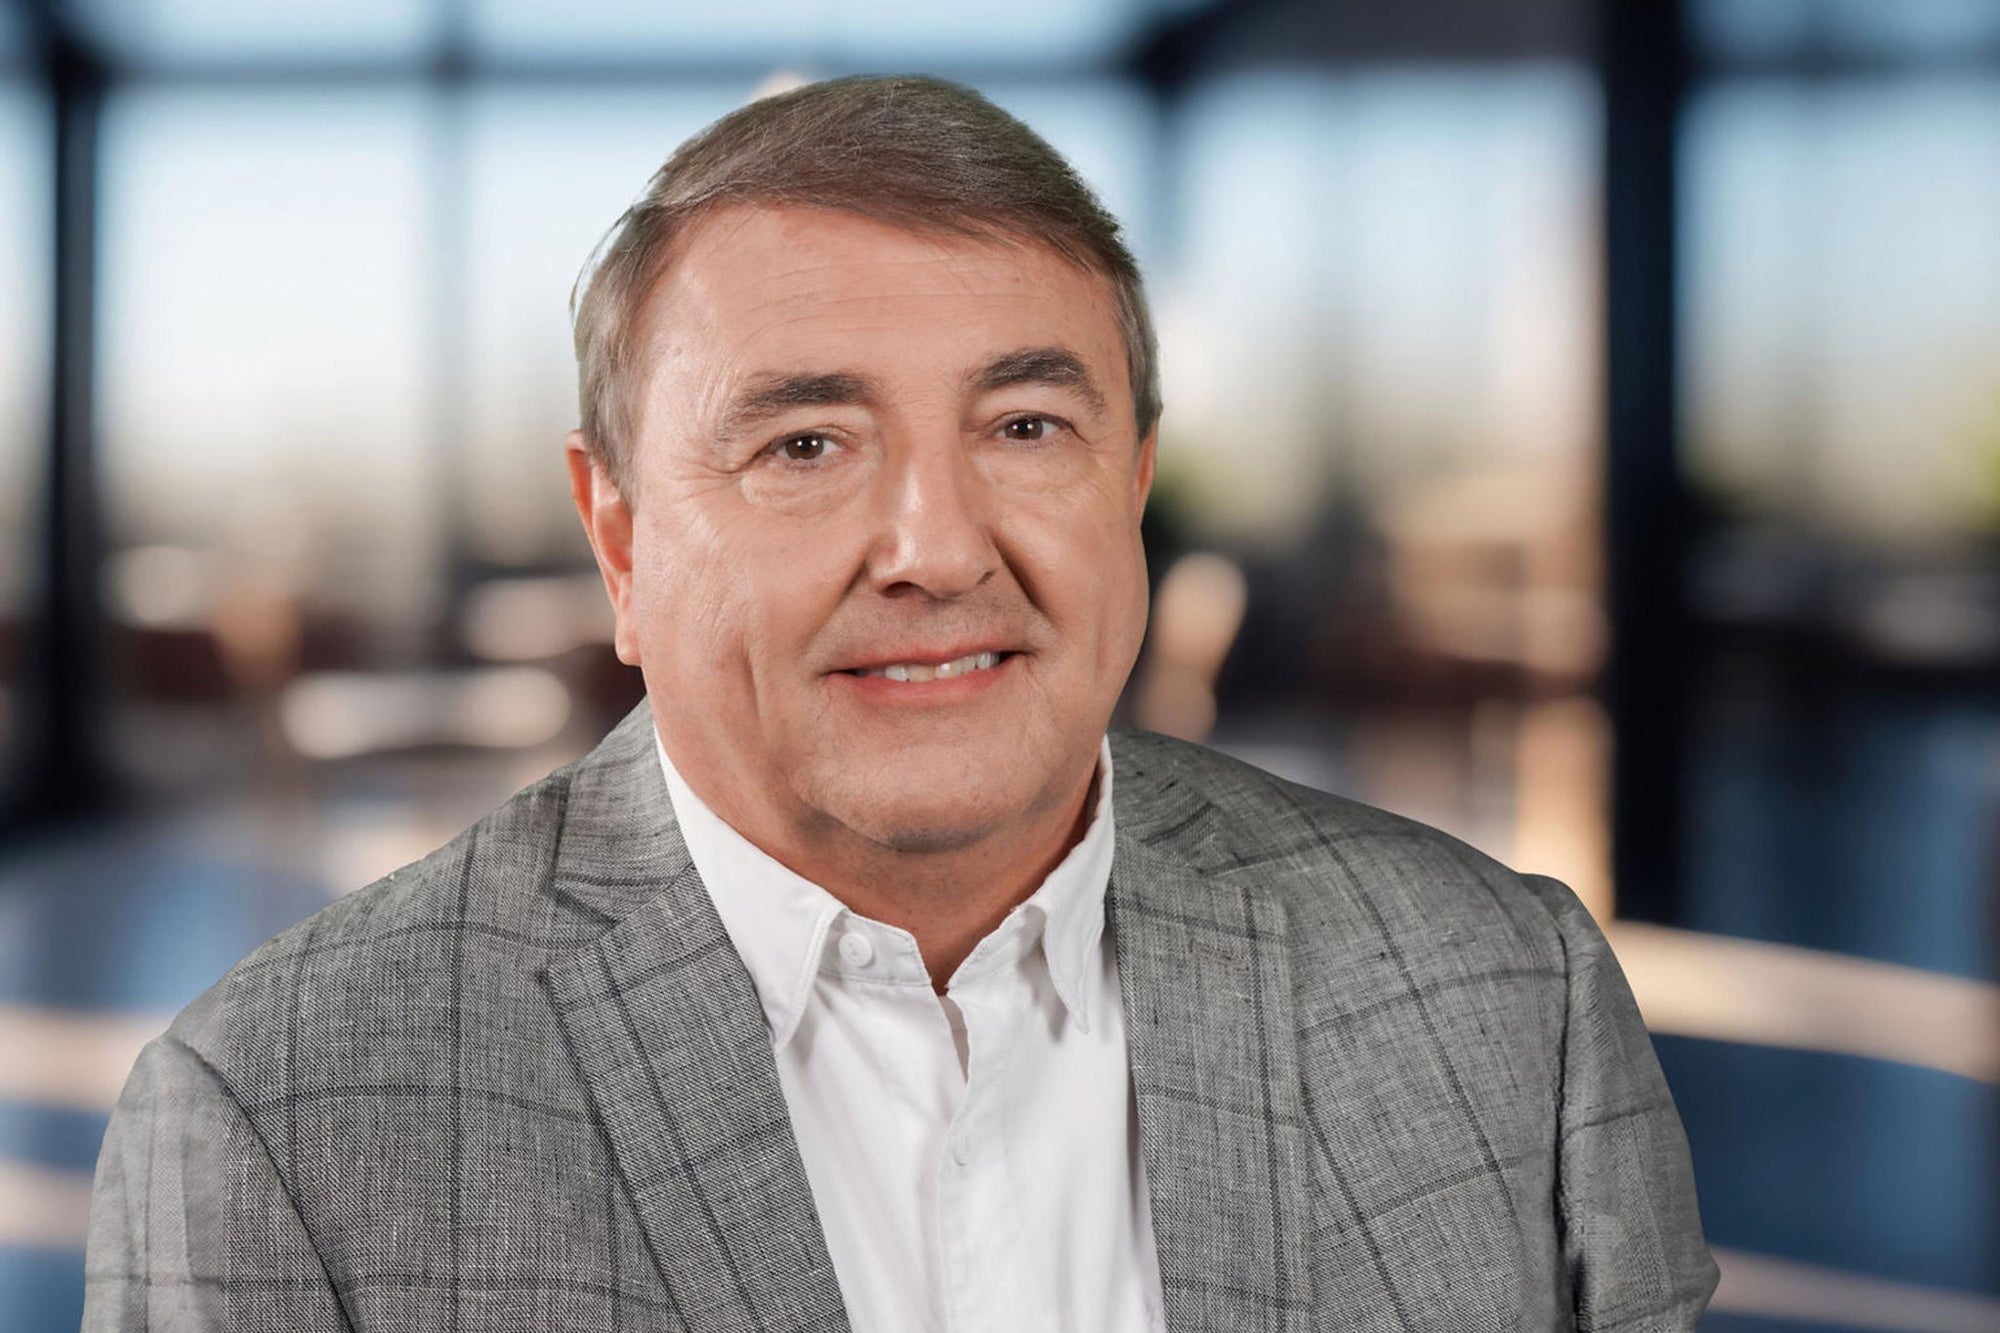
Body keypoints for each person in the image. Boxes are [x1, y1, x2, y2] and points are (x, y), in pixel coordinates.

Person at [82, 75, 1716, 1332]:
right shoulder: (277, 1122)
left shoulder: (1514, 1001)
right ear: (622, 541)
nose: (936, 549)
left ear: (1132, 486)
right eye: (806, 445)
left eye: (1022, 426)